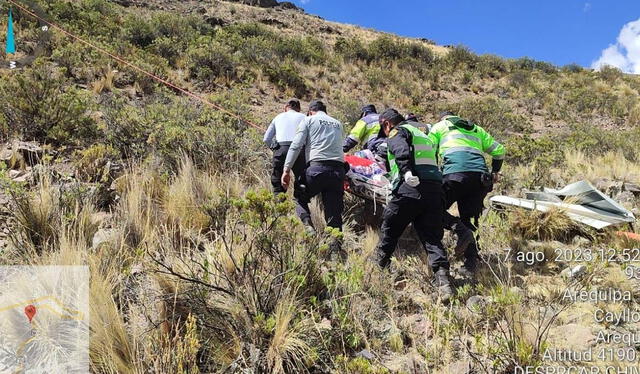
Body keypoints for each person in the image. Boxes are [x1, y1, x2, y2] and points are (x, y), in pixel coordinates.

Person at [374, 109, 454, 298]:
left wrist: (406, 171)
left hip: (411, 187)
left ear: (387, 124)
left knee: (390, 227)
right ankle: (444, 282)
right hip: (434, 190)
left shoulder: (398, 131)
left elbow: (399, 148)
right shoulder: (423, 134)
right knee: (432, 237)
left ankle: (378, 268)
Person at [429, 111, 506, 277]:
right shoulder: (476, 129)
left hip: (454, 174)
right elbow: (499, 150)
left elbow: (428, 151)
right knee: (471, 219)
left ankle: (458, 231)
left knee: (433, 210)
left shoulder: (440, 127)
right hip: (480, 179)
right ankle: (471, 264)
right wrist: (495, 172)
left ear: (443, 118)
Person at [282, 100, 346, 232]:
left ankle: (307, 225)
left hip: (316, 169)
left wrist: (286, 169)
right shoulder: (338, 123)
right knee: (334, 214)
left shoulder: (309, 120)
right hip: (337, 172)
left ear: (311, 111)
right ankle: (335, 246)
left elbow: (296, 145)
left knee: (298, 198)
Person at [263, 99, 312, 228]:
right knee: (301, 186)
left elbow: (266, 139)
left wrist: (275, 148)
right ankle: (306, 221)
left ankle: (281, 221)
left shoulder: (278, 117)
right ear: (299, 108)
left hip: (281, 150)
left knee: (278, 187)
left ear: (286, 107)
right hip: (300, 152)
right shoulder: (304, 117)